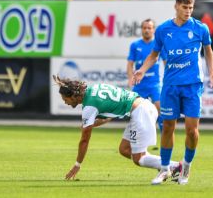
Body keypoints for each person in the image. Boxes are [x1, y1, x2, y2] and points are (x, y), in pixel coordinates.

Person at [132, 0, 213, 185]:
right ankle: (164, 169)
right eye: (184, 7)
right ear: (176, 7)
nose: (188, 11)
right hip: (171, 86)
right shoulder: (164, 30)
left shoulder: (201, 28)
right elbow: (154, 55)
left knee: (192, 131)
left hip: (192, 86)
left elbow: (209, 52)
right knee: (167, 127)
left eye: (191, 7)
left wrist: (212, 71)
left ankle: (187, 166)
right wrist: (141, 70)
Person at [52, 75, 181, 181]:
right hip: (143, 107)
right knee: (124, 149)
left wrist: (77, 164)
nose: (65, 102)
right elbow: (111, 112)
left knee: (138, 158)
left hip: (141, 113)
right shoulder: (95, 88)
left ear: (74, 95)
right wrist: (95, 123)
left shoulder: (89, 107)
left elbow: (84, 140)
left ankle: (175, 166)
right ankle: (167, 166)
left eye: (65, 99)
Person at [127, 19, 166, 132]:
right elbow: (130, 64)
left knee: (160, 107)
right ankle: (137, 139)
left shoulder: (158, 45)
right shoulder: (135, 45)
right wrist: (130, 78)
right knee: (135, 111)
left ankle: (165, 136)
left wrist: (170, 77)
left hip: (154, 84)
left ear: (153, 30)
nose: (147, 30)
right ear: (141, 30)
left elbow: (166, 62)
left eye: (149, 28)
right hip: (139, 84)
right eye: (144, 28)